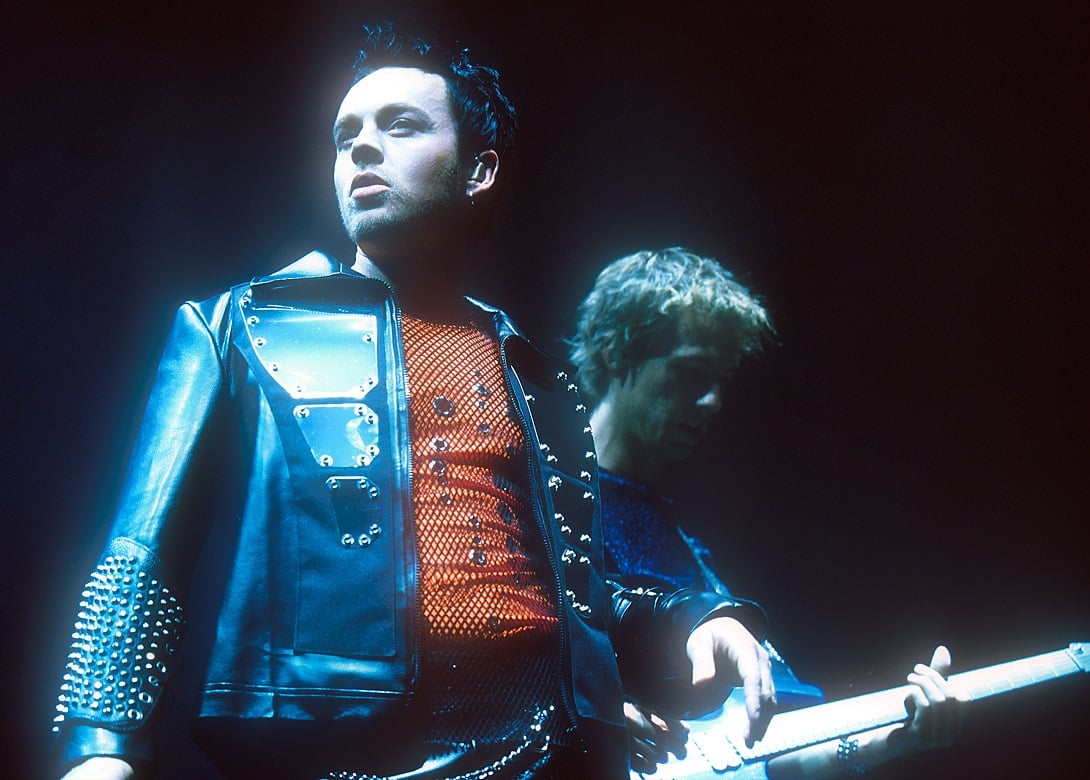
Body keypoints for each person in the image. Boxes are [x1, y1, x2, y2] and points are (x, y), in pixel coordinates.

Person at [50, 28, 777, 780]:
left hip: (550, 750)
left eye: (400, 125)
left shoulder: (527, 370)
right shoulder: (239, 325)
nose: (363, 149)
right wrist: (101, 748)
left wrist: (695, 622)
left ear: (479, 169)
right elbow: (140, 556)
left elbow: (576, 591)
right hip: (343, 756)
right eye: (345, 136)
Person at [568, 247, 967, 778]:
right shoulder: (548, 510)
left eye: (722, 379)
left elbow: (767, 746)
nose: (713, 401)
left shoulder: (685, 549)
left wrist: (893, 739)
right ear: (617, 354)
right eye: (691, 372)